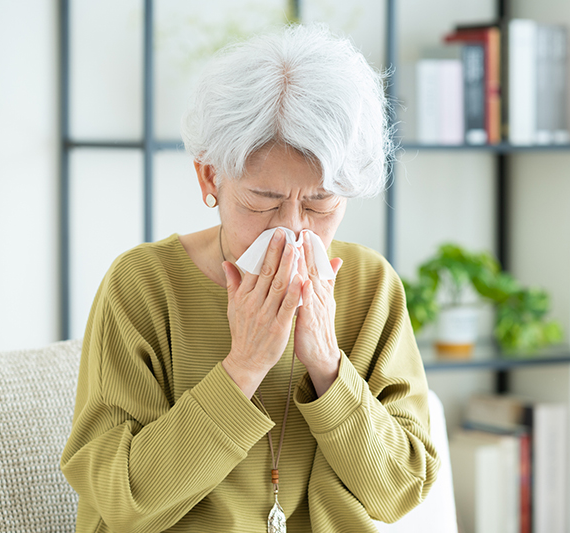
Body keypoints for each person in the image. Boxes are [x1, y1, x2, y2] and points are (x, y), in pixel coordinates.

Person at [61, 23, 439, 533]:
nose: (292, 229)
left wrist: (328, 366)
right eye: (263, 200)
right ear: (210, 177)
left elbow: (401, 490)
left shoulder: (370, 286)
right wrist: (244, 366)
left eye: (319, 202)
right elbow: (124, 502)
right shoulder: (143, 286)